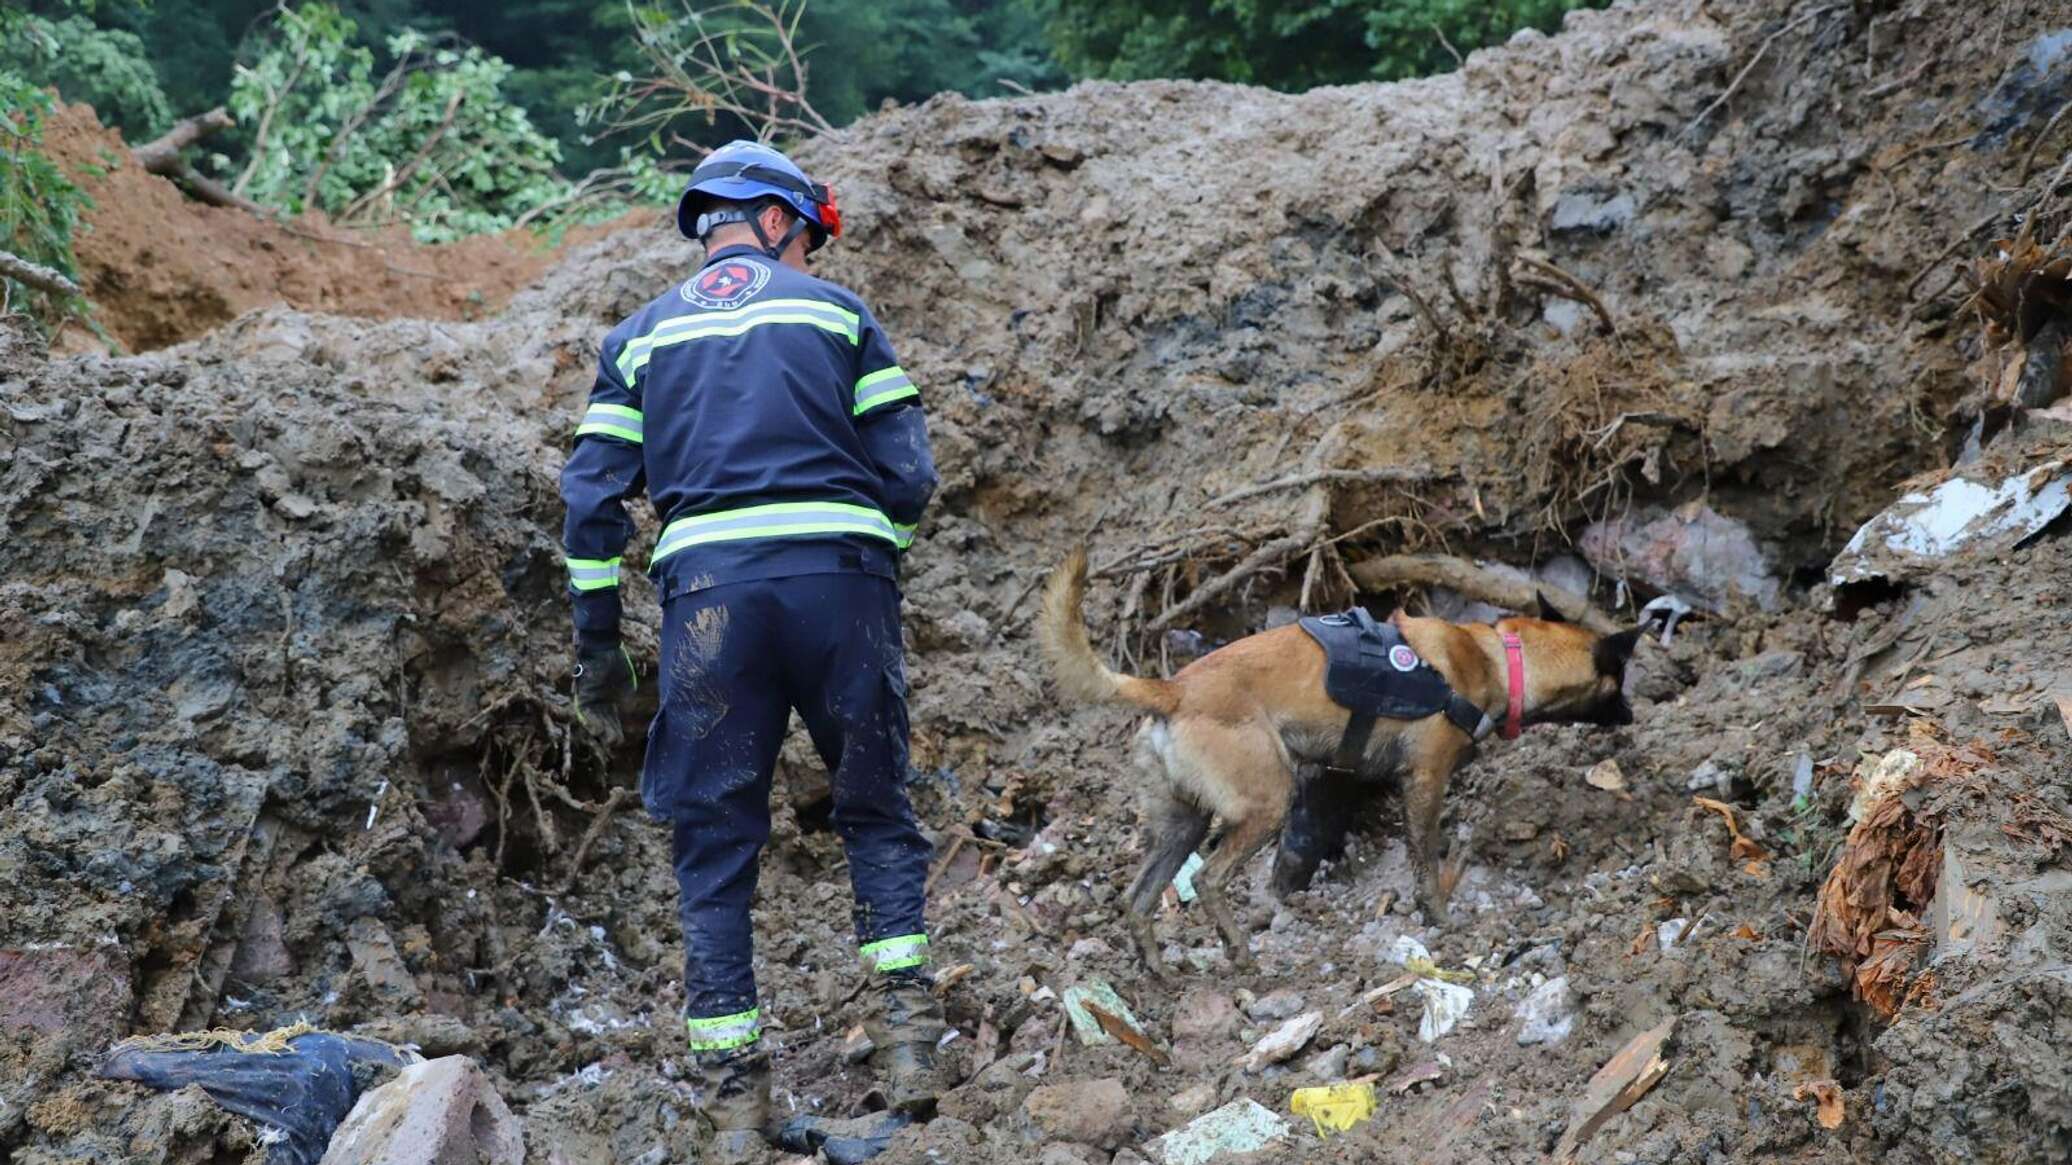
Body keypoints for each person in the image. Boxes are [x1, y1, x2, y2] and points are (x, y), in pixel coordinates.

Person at [558, 139, 943, 1158]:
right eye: (806, 238)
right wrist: (870, 559)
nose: (806, 258)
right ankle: (908, 1048)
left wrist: (598, 642)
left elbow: (591, 503)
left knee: (713, 842)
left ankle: (735, 1104)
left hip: (707, 609)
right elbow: (906, 475)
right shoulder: (835, 312)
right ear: (775, 219)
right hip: (838, 588)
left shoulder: (638, 338)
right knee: (872, 802)